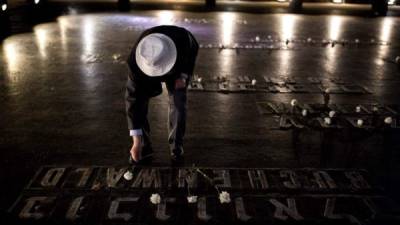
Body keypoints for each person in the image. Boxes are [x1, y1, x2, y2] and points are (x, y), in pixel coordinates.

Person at [125, 25, 199, 163]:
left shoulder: (184, 40)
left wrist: (183, 75)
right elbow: (133, 103)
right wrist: (136, 142)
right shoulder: (134, 65)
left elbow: (192, 52)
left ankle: (176, 147)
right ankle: (143, 147)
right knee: (139, 102)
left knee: (178, 102)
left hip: (177, 68)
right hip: (147, 71)